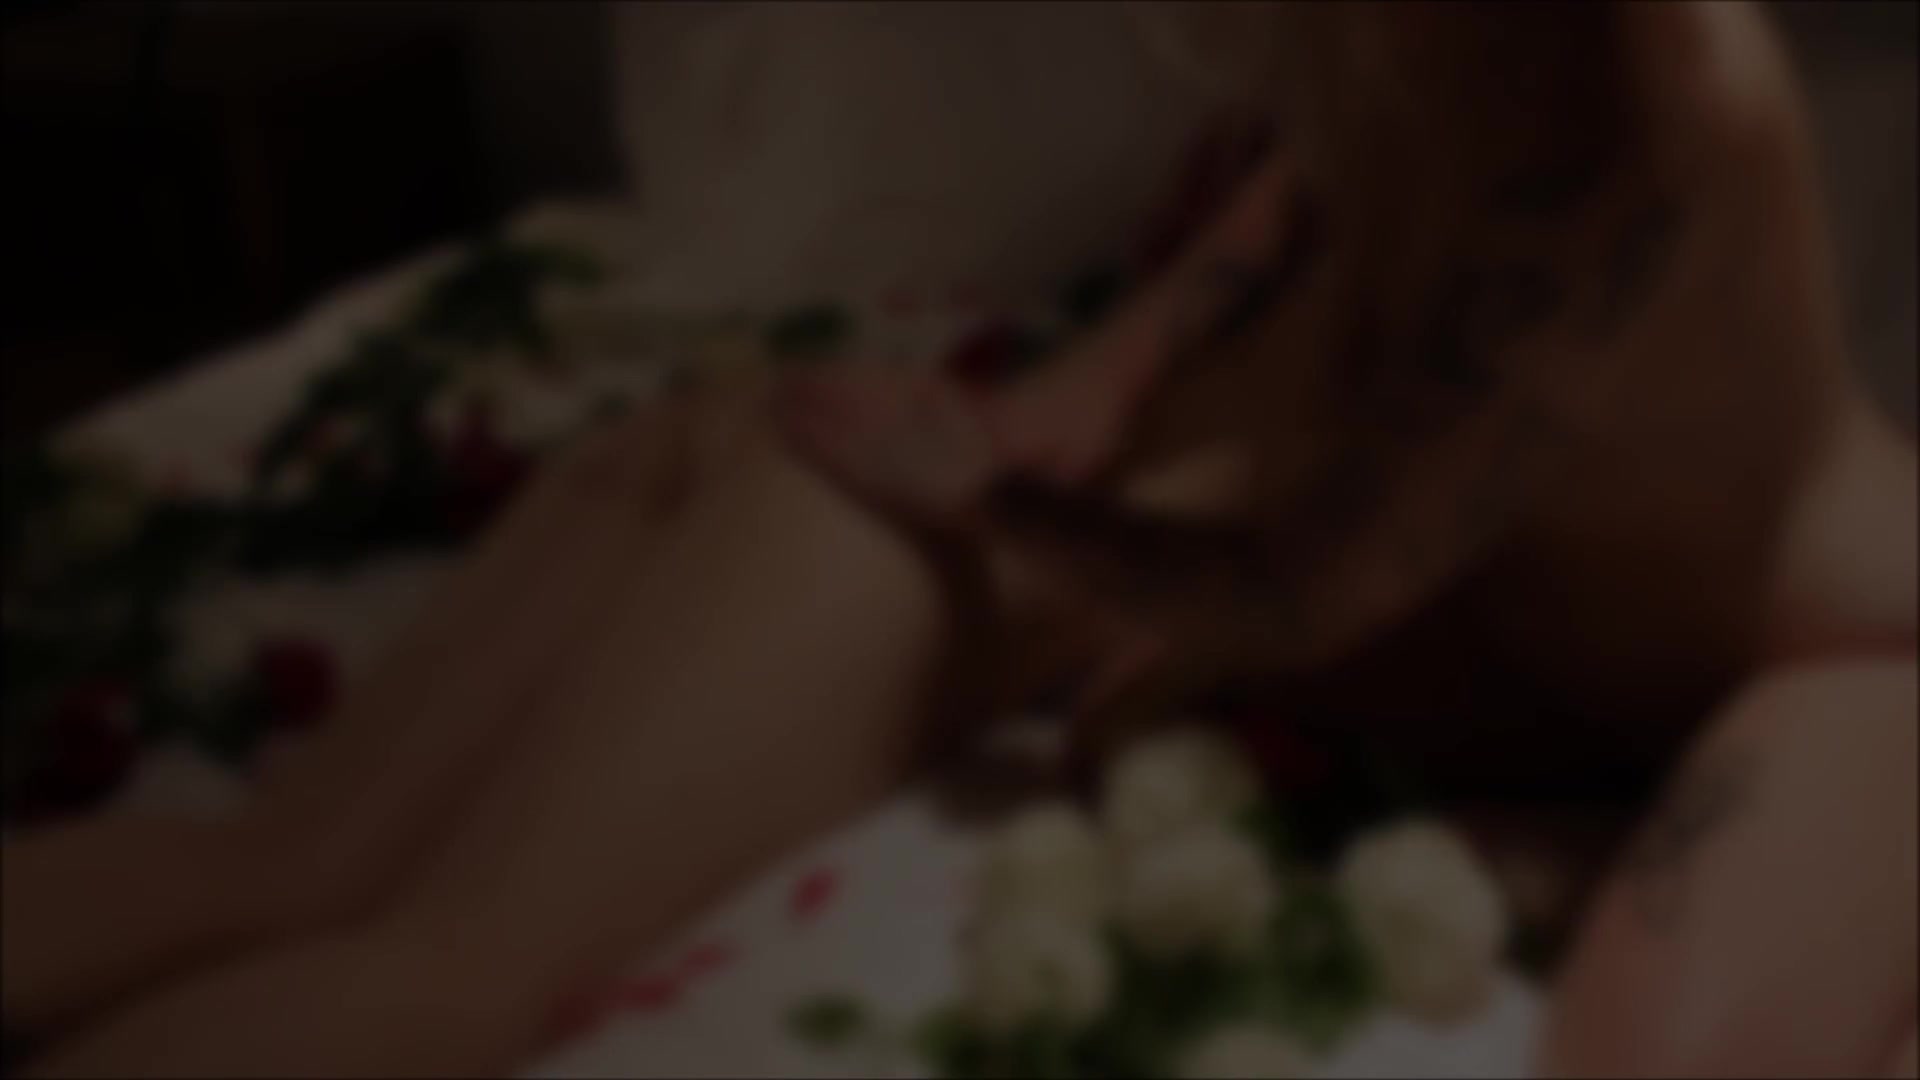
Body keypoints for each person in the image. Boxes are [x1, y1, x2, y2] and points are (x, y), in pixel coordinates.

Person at [4, 1, 1912, 1076]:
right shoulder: (1465, 50)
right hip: (921, 512)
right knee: (438, 977)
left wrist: (1029, 446)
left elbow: (1323, 567)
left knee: (284, 870)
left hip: (932, 489)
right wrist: (1061, 417)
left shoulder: (1635, 91)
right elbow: (1296, 494)